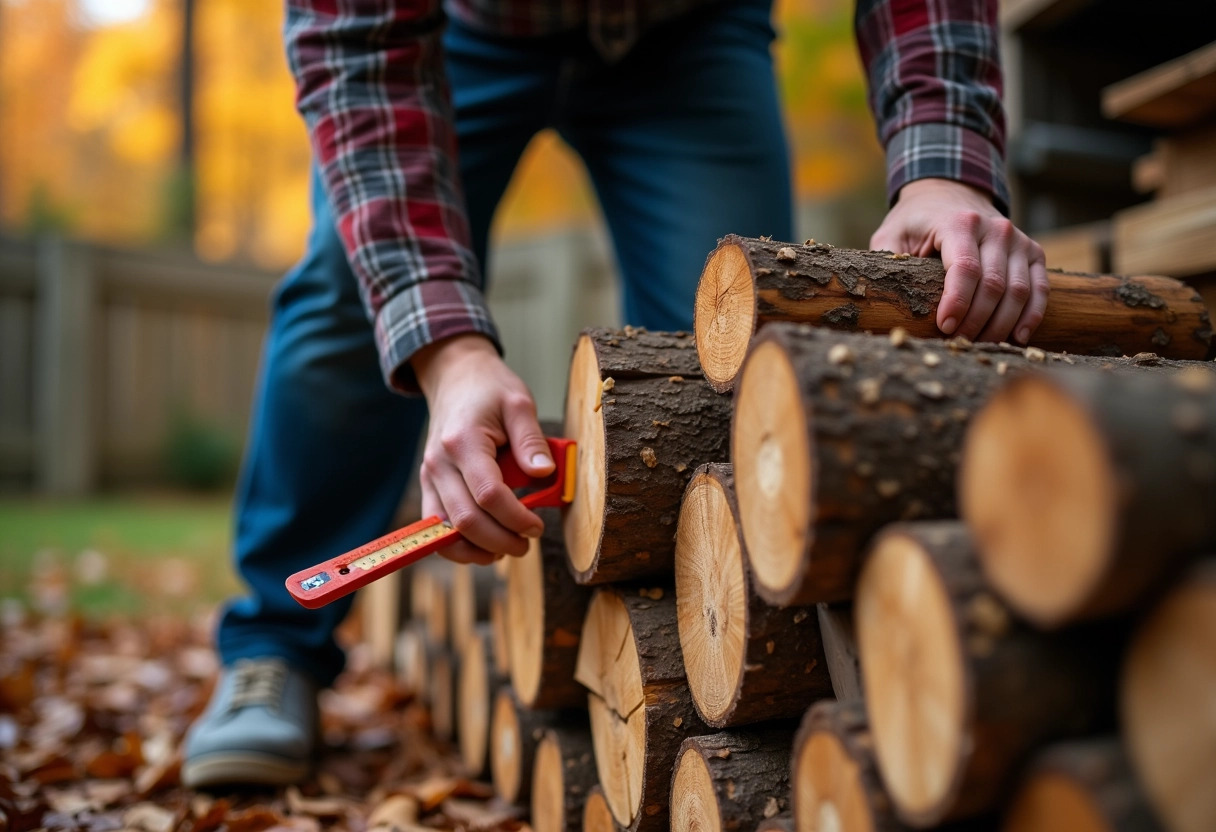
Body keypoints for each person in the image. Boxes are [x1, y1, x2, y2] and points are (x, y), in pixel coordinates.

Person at [181, 0, 1047, 787]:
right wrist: (447, 353)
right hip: (457, 33)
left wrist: (945, 161)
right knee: (343, 292)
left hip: (693, 33)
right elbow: (351, 40)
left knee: (730, 347)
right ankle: (271, 647)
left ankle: (701, 656)